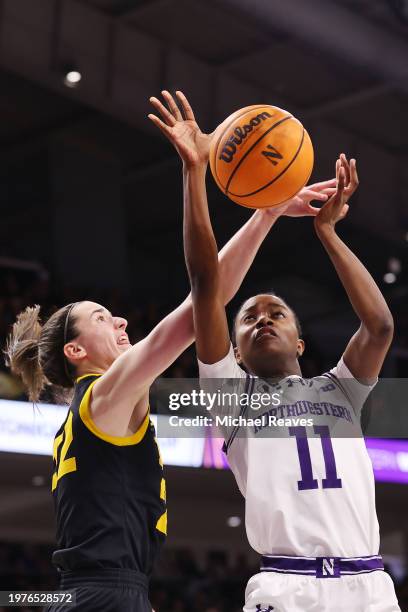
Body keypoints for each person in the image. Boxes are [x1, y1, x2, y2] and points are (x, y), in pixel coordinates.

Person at [5, 94, 335, 612]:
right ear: (76, 350)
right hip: (106, 595)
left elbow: (205, 300)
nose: (118, 319)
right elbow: (201, 303)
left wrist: (267, 212)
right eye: (100, 318)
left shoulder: (98, 408)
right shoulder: (103, 396)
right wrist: (241, 200)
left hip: (99, 592)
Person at [151, 89, 401, 611]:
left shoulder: (341, 388)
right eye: (249, 317)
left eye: (276, 313)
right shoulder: (230, 396)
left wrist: (327, 232)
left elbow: (378, 327)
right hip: (286, 586)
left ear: (300, 341)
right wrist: (194, 171)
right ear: (235, 351)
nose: (263, 318)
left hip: (369, 585)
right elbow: (204, 281)